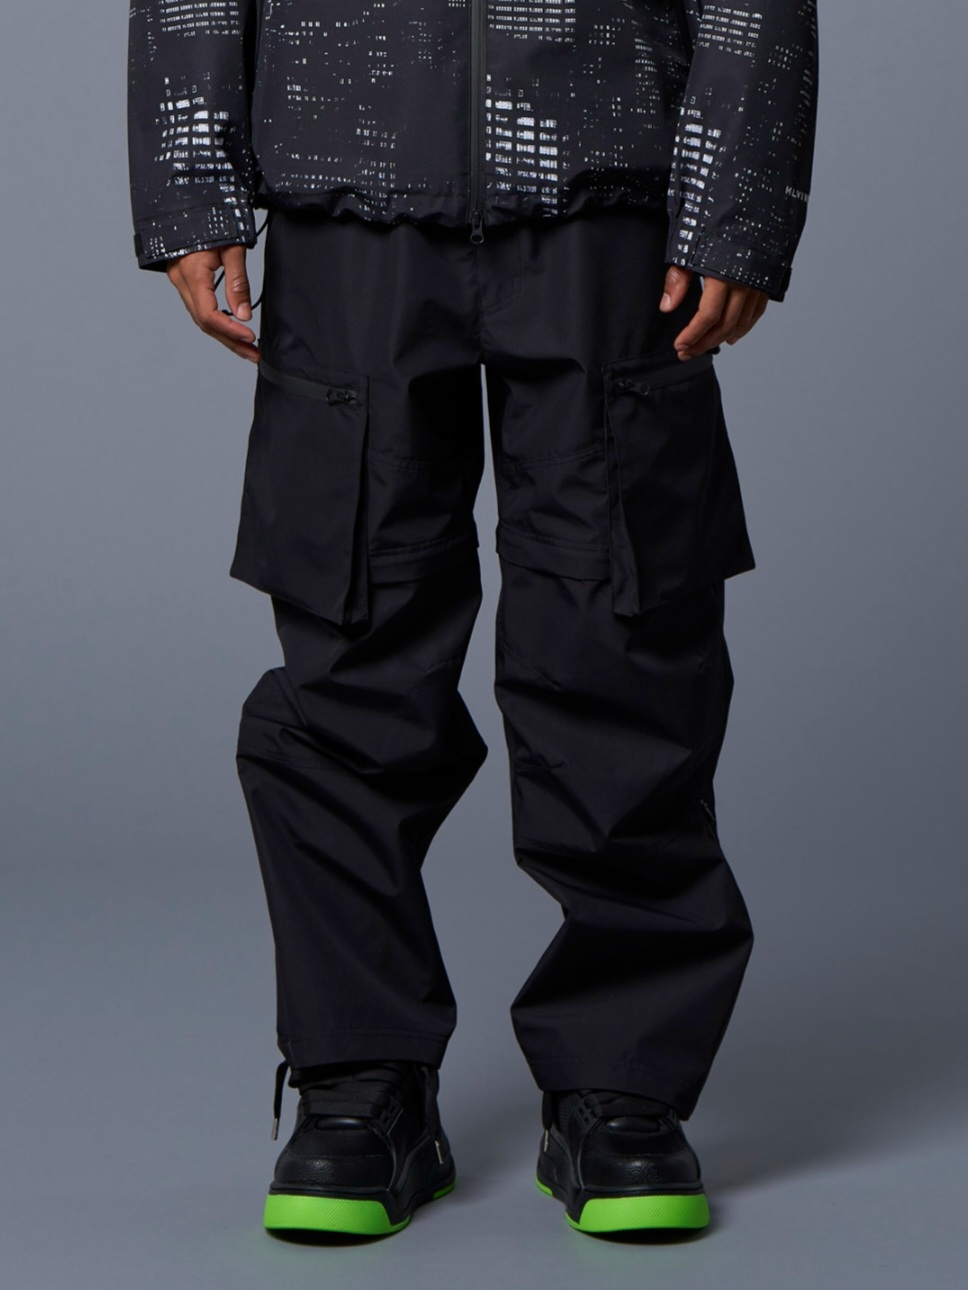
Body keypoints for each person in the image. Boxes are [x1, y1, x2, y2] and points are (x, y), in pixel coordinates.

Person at [128, 1, 818, 1239]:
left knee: (622, 642)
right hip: (348, 162)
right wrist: (191, 181)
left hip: (608, 178)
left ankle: (619, 1080)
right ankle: (360, 1081)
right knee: (350, 651)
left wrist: (737, 200)